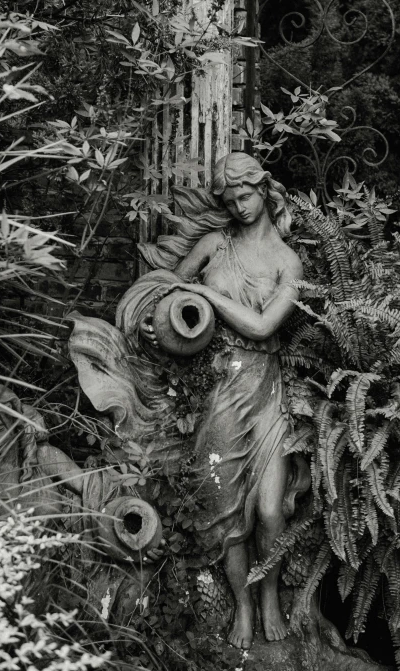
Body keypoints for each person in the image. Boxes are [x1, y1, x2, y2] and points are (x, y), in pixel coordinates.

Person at [142, 152, 305, 649]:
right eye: (230, 199)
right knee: (227, 513)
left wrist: (209, 297)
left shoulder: (288, 262)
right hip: (220, 390)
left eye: (246, 194)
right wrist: (158, 322)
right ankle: (243, 605)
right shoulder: (215, 244)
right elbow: (169, 291)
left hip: (266, 390)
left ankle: (270, 593)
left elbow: (261, 326)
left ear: (264, 190)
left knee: (273, 511)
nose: (239, 206)